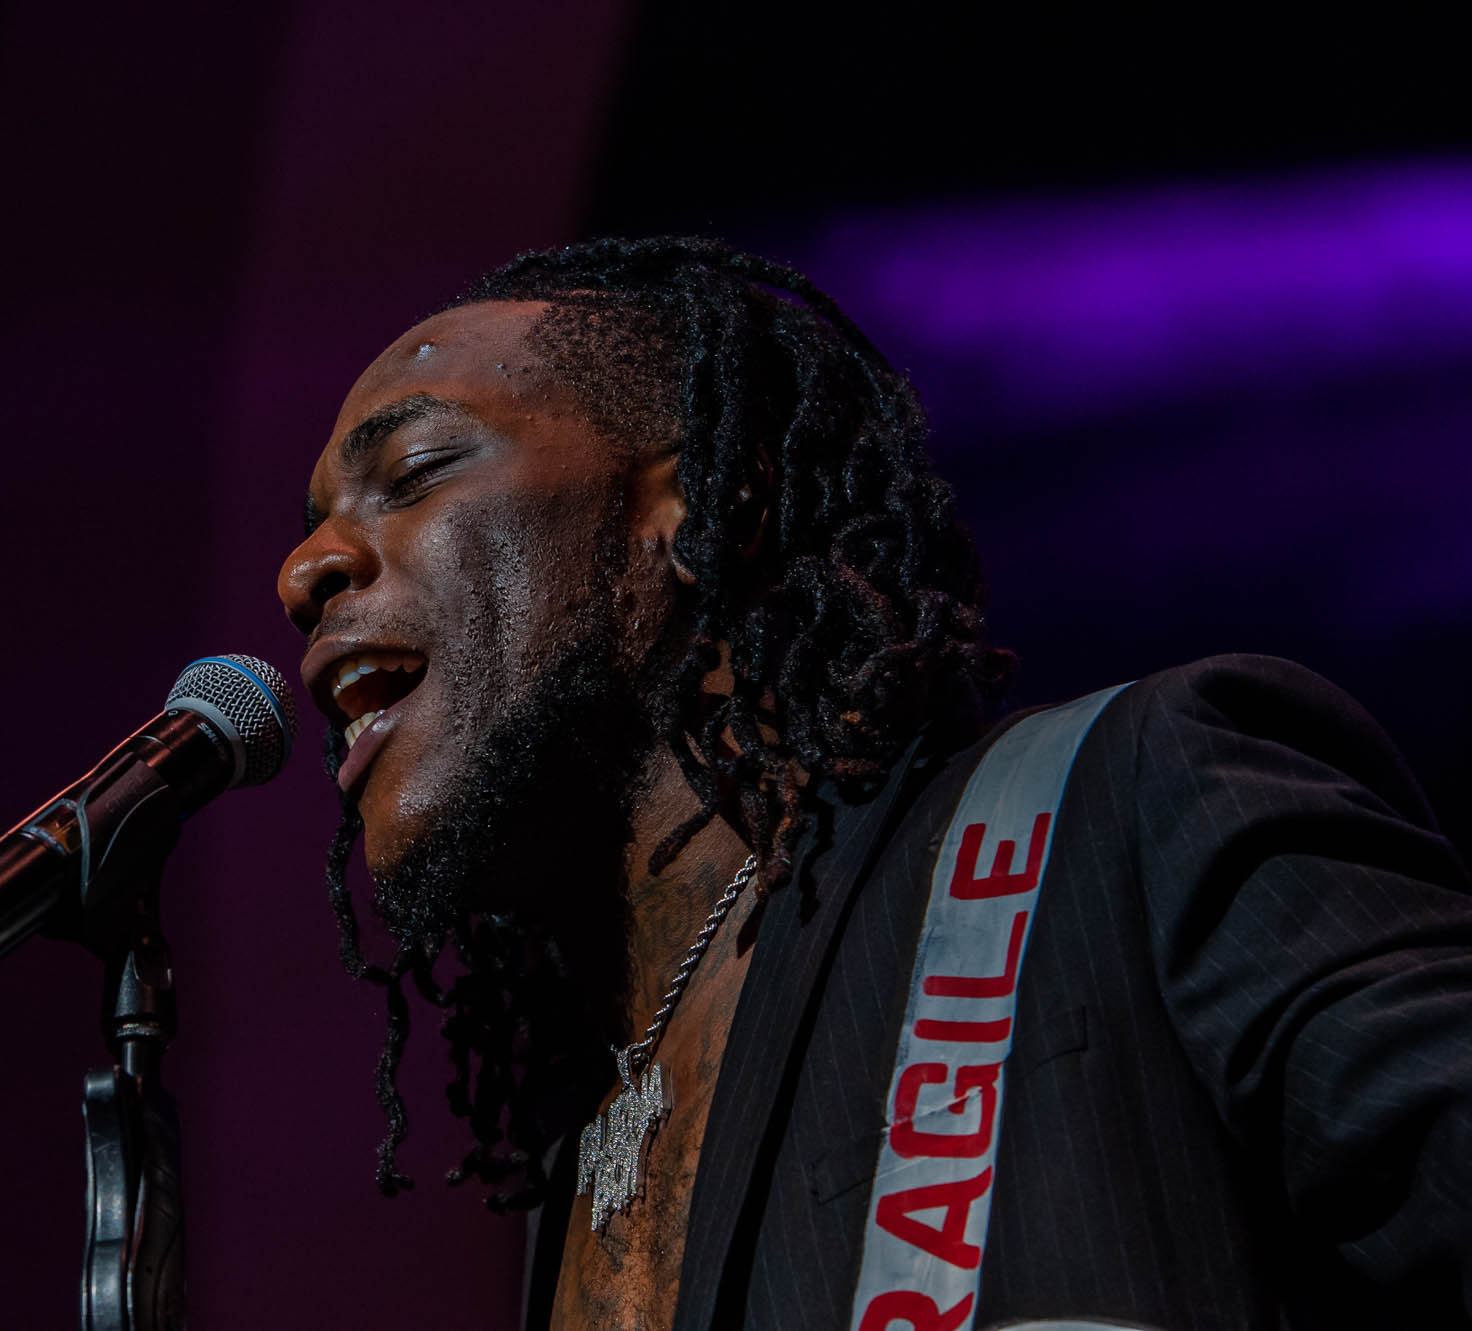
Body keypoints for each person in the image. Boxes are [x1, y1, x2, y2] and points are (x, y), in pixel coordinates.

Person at [274, 237, 1472, 1331]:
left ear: (704, 506)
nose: (305, 567)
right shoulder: (577, 1132)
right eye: (316, 518)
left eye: (417, 467)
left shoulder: (1130, 804)